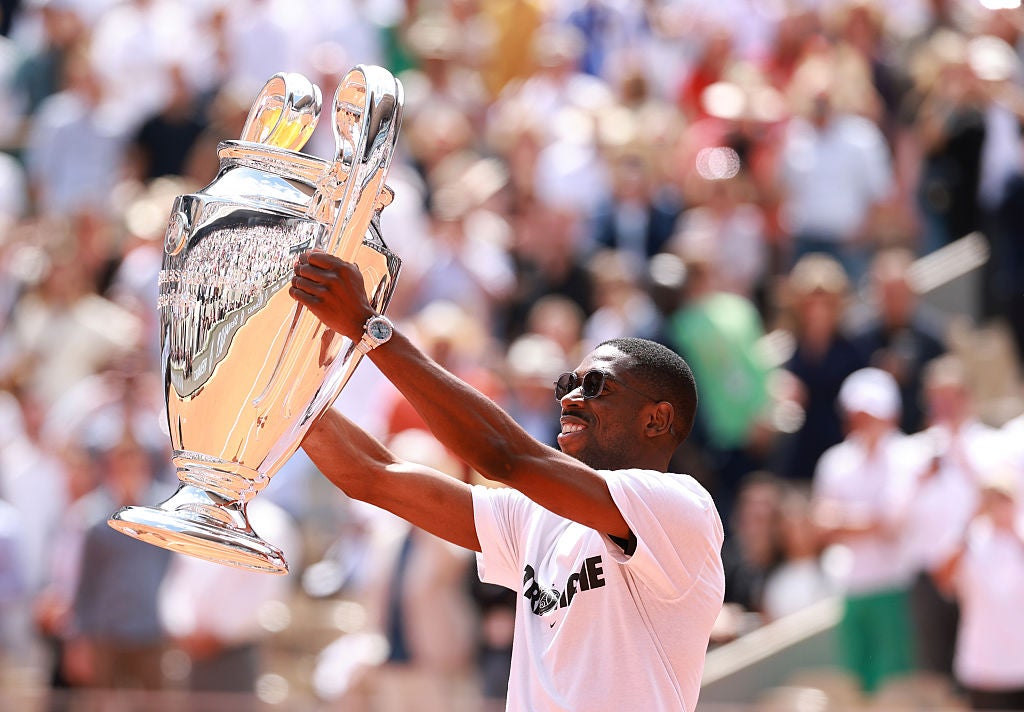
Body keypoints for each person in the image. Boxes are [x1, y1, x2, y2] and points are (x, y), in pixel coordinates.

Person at [290, 250, 725, 711]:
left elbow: (503, 455)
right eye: (567, 385)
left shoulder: (680, 507)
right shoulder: (534, 513)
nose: (572, 398)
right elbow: (372, 475)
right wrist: (284, 386)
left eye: (597, 386)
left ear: (656, 420)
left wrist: (367, 327)